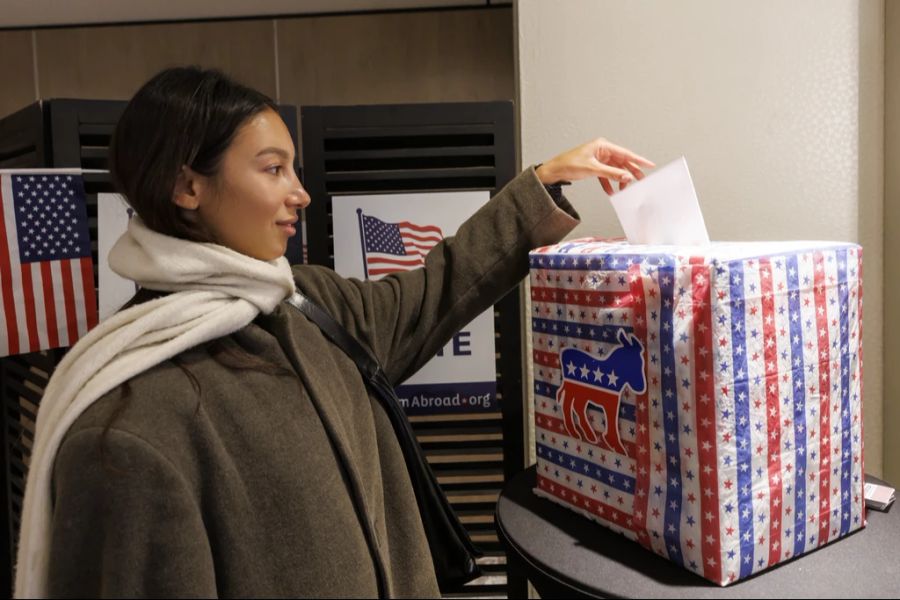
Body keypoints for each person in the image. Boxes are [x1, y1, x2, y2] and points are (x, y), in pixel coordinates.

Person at [14, 66, 654, 598]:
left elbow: (435, 289)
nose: (301, 194)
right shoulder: (128, 430)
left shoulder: (304, 302)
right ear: (188, 185)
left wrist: (544, 182)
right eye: (272, 169)